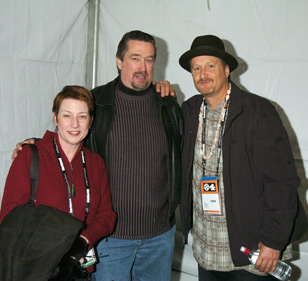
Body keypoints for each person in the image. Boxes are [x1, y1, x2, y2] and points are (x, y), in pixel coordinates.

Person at [13, 30, 183, 281]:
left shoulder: (167, 104)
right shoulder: (96, 101)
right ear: (118, 61)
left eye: (149, 60)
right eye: (135, 58)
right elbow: (71, 136)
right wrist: (36, 144)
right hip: (109, 238)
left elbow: (179, 154)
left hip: (159, 237)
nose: (143, 67)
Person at [179, 35, 305, 280]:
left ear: (227, 70)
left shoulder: (258, 112)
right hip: (207, 248)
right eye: (196, 68)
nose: (202, 74)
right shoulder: (190, 111)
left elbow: (282, 182)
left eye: (210, 66)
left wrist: (273, 240)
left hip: (253, 248)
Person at [0, 85, 116, 279]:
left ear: (91, 121)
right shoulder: (30, 155)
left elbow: (107, 215)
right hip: (37, 268)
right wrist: (52, 246)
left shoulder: (95, 163)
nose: (75, 124)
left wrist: (83, 241)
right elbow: (9, 215)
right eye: (67, 116)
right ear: (55, 118)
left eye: (82, 116)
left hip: (78, 267)